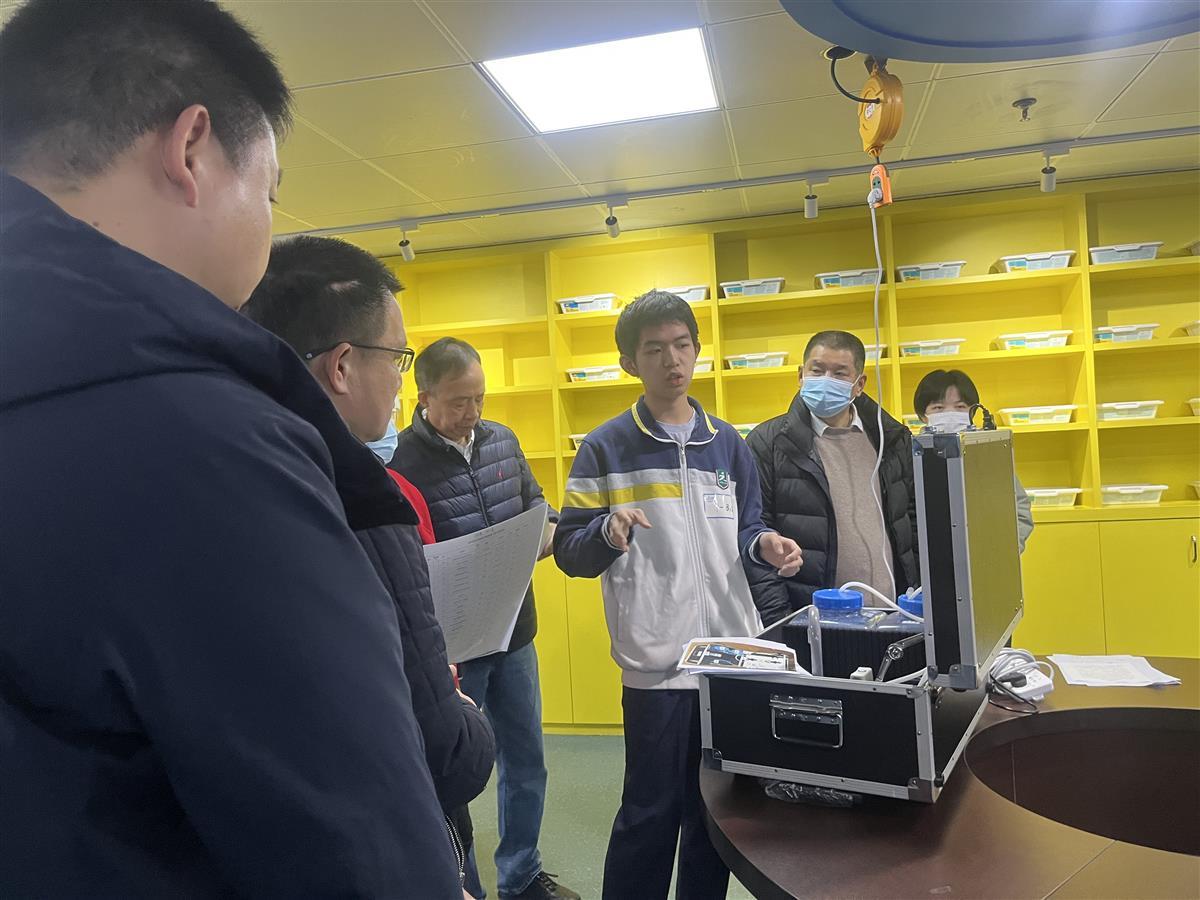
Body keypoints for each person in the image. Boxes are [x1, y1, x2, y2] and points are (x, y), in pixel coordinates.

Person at [0, 3, 460, 896]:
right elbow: (360, 855)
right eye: (271, 190)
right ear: (191, 148)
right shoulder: (204, 444)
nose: (268, 225)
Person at [241, 236, 497, 876]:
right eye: (398, 358)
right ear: (343, 366)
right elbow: (447, 754)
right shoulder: (369, 502)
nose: (399, 380)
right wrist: (468, 718)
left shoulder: (223, 479)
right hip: (388, 842)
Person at [554, 291, 803, 900]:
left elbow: (745, 528)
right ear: (630, 363)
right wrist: (607, 531)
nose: (672, 360)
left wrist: (766, 545)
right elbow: (569, 550)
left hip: (728, 660)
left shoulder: (728, 443)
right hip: (656, 665)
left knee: (714, 815)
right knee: (648, 813)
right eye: (654, 349)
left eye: (682, 345)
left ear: (696, 349)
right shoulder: (605, 447)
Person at [391, 338, 577, 900]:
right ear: (425, 398)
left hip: (516, 631)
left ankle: (520, 876)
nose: (472, 413)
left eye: (479, 399)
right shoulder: (401, 463)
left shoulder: (503, 441)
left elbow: (537, 508)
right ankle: (463, 886)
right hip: (453, 648)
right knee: (458, 771)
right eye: (459, 402)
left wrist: (550, 535)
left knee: (526, 760)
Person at [746, 330, 920, 626]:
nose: (826, 380)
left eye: (839, 373)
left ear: (859, 384)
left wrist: (918, 596)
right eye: (817, 370)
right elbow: (755, 535)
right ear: (801, 375)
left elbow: (912, 521)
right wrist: (782, 621)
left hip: (896, 615)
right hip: (812, 620)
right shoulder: (768, 443)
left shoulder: (891, 440)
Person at [913, 368, 1034, 552]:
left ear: (973, 410)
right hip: (930, 558)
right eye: (938, 408)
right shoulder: (911, 455)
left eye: (960, 407)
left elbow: (1019, 508)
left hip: (988, 557)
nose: (950, 413)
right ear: (922, 415)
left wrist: (1007, 549)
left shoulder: (990, 452)